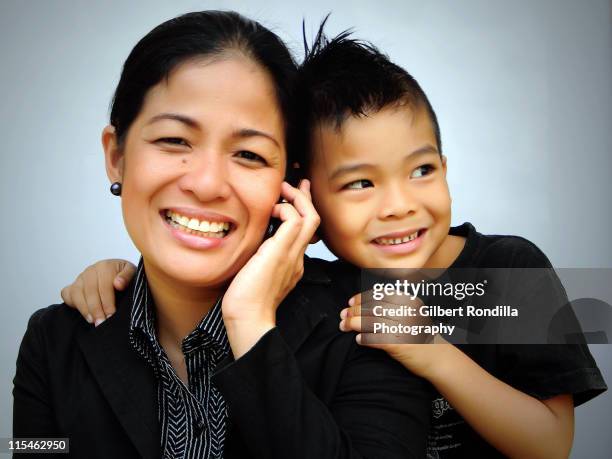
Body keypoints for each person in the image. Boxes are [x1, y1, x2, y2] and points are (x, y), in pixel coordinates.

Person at [63, 25, 607, 458]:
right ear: (306, 202)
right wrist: (119, 273)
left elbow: (552, 445)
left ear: (445, 168)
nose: (398, 204)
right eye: (360, 183)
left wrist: (434, 354)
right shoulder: (334, 295)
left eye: (420, 171)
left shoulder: (508, 270)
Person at [13, 12, 432, 459]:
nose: (208, 184)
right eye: (174, 141)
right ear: (117, 156)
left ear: (290, 183)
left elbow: (514, 303)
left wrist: (250, 324)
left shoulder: (375, 321)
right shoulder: (53, 339)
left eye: (249, 154)